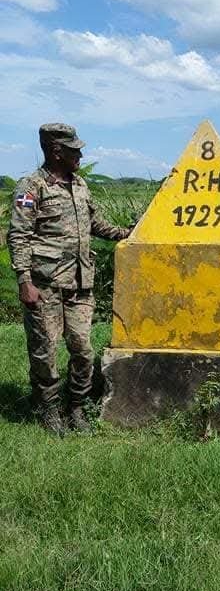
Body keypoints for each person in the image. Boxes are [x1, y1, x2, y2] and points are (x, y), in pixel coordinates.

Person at [7, 123, 131, 435]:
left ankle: (76, 405)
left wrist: (131, 233)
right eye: (74, 149)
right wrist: (24, 280)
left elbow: (96, 224)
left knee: (83, 349)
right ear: (56, 151)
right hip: (44, 284)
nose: (81, 154)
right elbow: (19, 235)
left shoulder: (80, 185)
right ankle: (48, 408)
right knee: (44, 351)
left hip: (79, 284)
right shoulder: (31, 187)